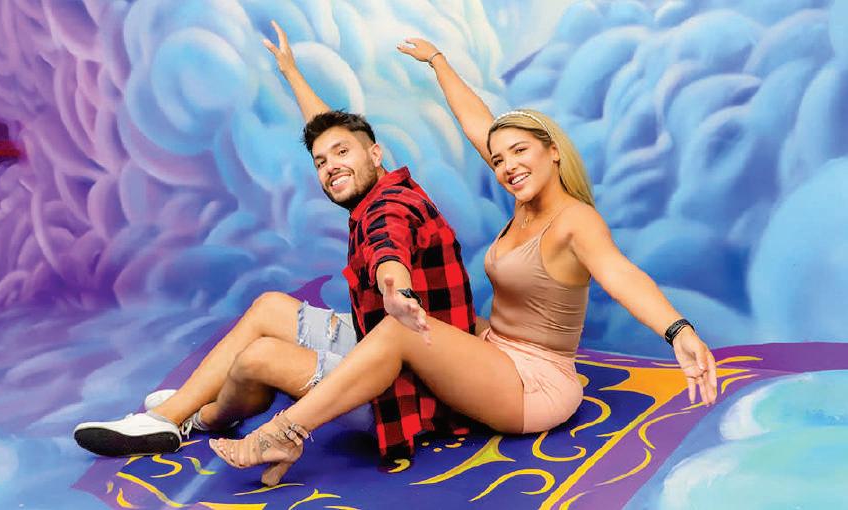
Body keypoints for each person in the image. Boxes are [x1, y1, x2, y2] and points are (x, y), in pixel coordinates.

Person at [208, 37, 720, 487]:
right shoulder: (523, 199)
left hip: (535, 384)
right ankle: (221, 411)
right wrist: (438, 62)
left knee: (401, 329)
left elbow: (620, 274)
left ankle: (285, 432)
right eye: (499, 160)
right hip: (494, 349)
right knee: (412, 324)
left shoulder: (574, 221)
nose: (508, 167)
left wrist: (677, 330)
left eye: (520, 152)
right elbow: (471, 125)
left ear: (552, 151)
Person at [72, 25, 479, 458]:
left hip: (409, 392)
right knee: (268, 307)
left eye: (342, 154)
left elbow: (388, 249)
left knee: (260, 357)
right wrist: (291, 72)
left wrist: (396, 291)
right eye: (321, 162)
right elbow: (331, 136)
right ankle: (182, 410)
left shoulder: (388, 208)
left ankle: (184, 417)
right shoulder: (381, 183)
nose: (330, 167)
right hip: (383, 343)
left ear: (374, 154)